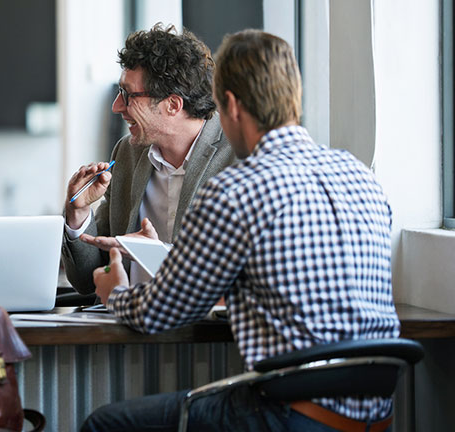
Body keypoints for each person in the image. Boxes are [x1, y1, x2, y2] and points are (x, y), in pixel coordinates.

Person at [84, 29, 400, 431]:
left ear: (229, 105)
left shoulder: (237, 190)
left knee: (105, 424)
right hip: (378, 415)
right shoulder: (361, 177)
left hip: (291, 413)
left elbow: (160, 311)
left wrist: (117, 294)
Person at [61, 24, 235, 294]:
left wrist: (156, 255)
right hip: (125, 327)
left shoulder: (238, 157)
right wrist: (78, 215)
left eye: (128, 95)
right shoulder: (127, 154)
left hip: (199, 332)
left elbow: (237, 278)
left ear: (173, 104)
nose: (116, 106)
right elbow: (88, 281)